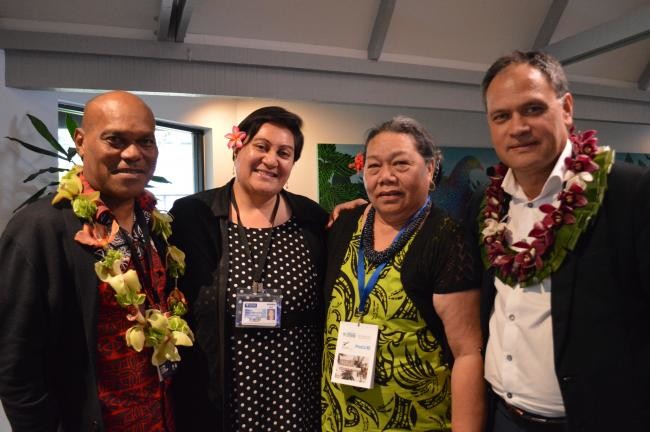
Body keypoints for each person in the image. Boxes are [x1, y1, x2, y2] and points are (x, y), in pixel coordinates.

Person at [0, 91, 193, 431]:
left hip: (162, 419)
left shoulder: (156, 227)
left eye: (145, 141)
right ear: (81, 142)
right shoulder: (41, 229)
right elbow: (15, 364)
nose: (132, 154)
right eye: (115, 140)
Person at [478, 51, 650, 431]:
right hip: (502, 418)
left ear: (566, 108)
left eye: (533, 109)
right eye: (501, 116)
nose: (517, 127)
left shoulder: (630, 193)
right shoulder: (492, 203)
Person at [169, 106, 328, 431]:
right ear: (238, 147)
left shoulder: (311, 218)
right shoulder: (192, 216)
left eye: (285, 153)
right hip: (221, 395)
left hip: (296, 393)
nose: (271, 160)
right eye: (262, 146)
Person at [321, 116, 485, 431]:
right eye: (374, 166)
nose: (386, 177)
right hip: (338, 418)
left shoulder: (447, 239)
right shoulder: (343, 225)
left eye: (401, 164)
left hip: (417, 419)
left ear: (429, 169)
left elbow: (467, 353)